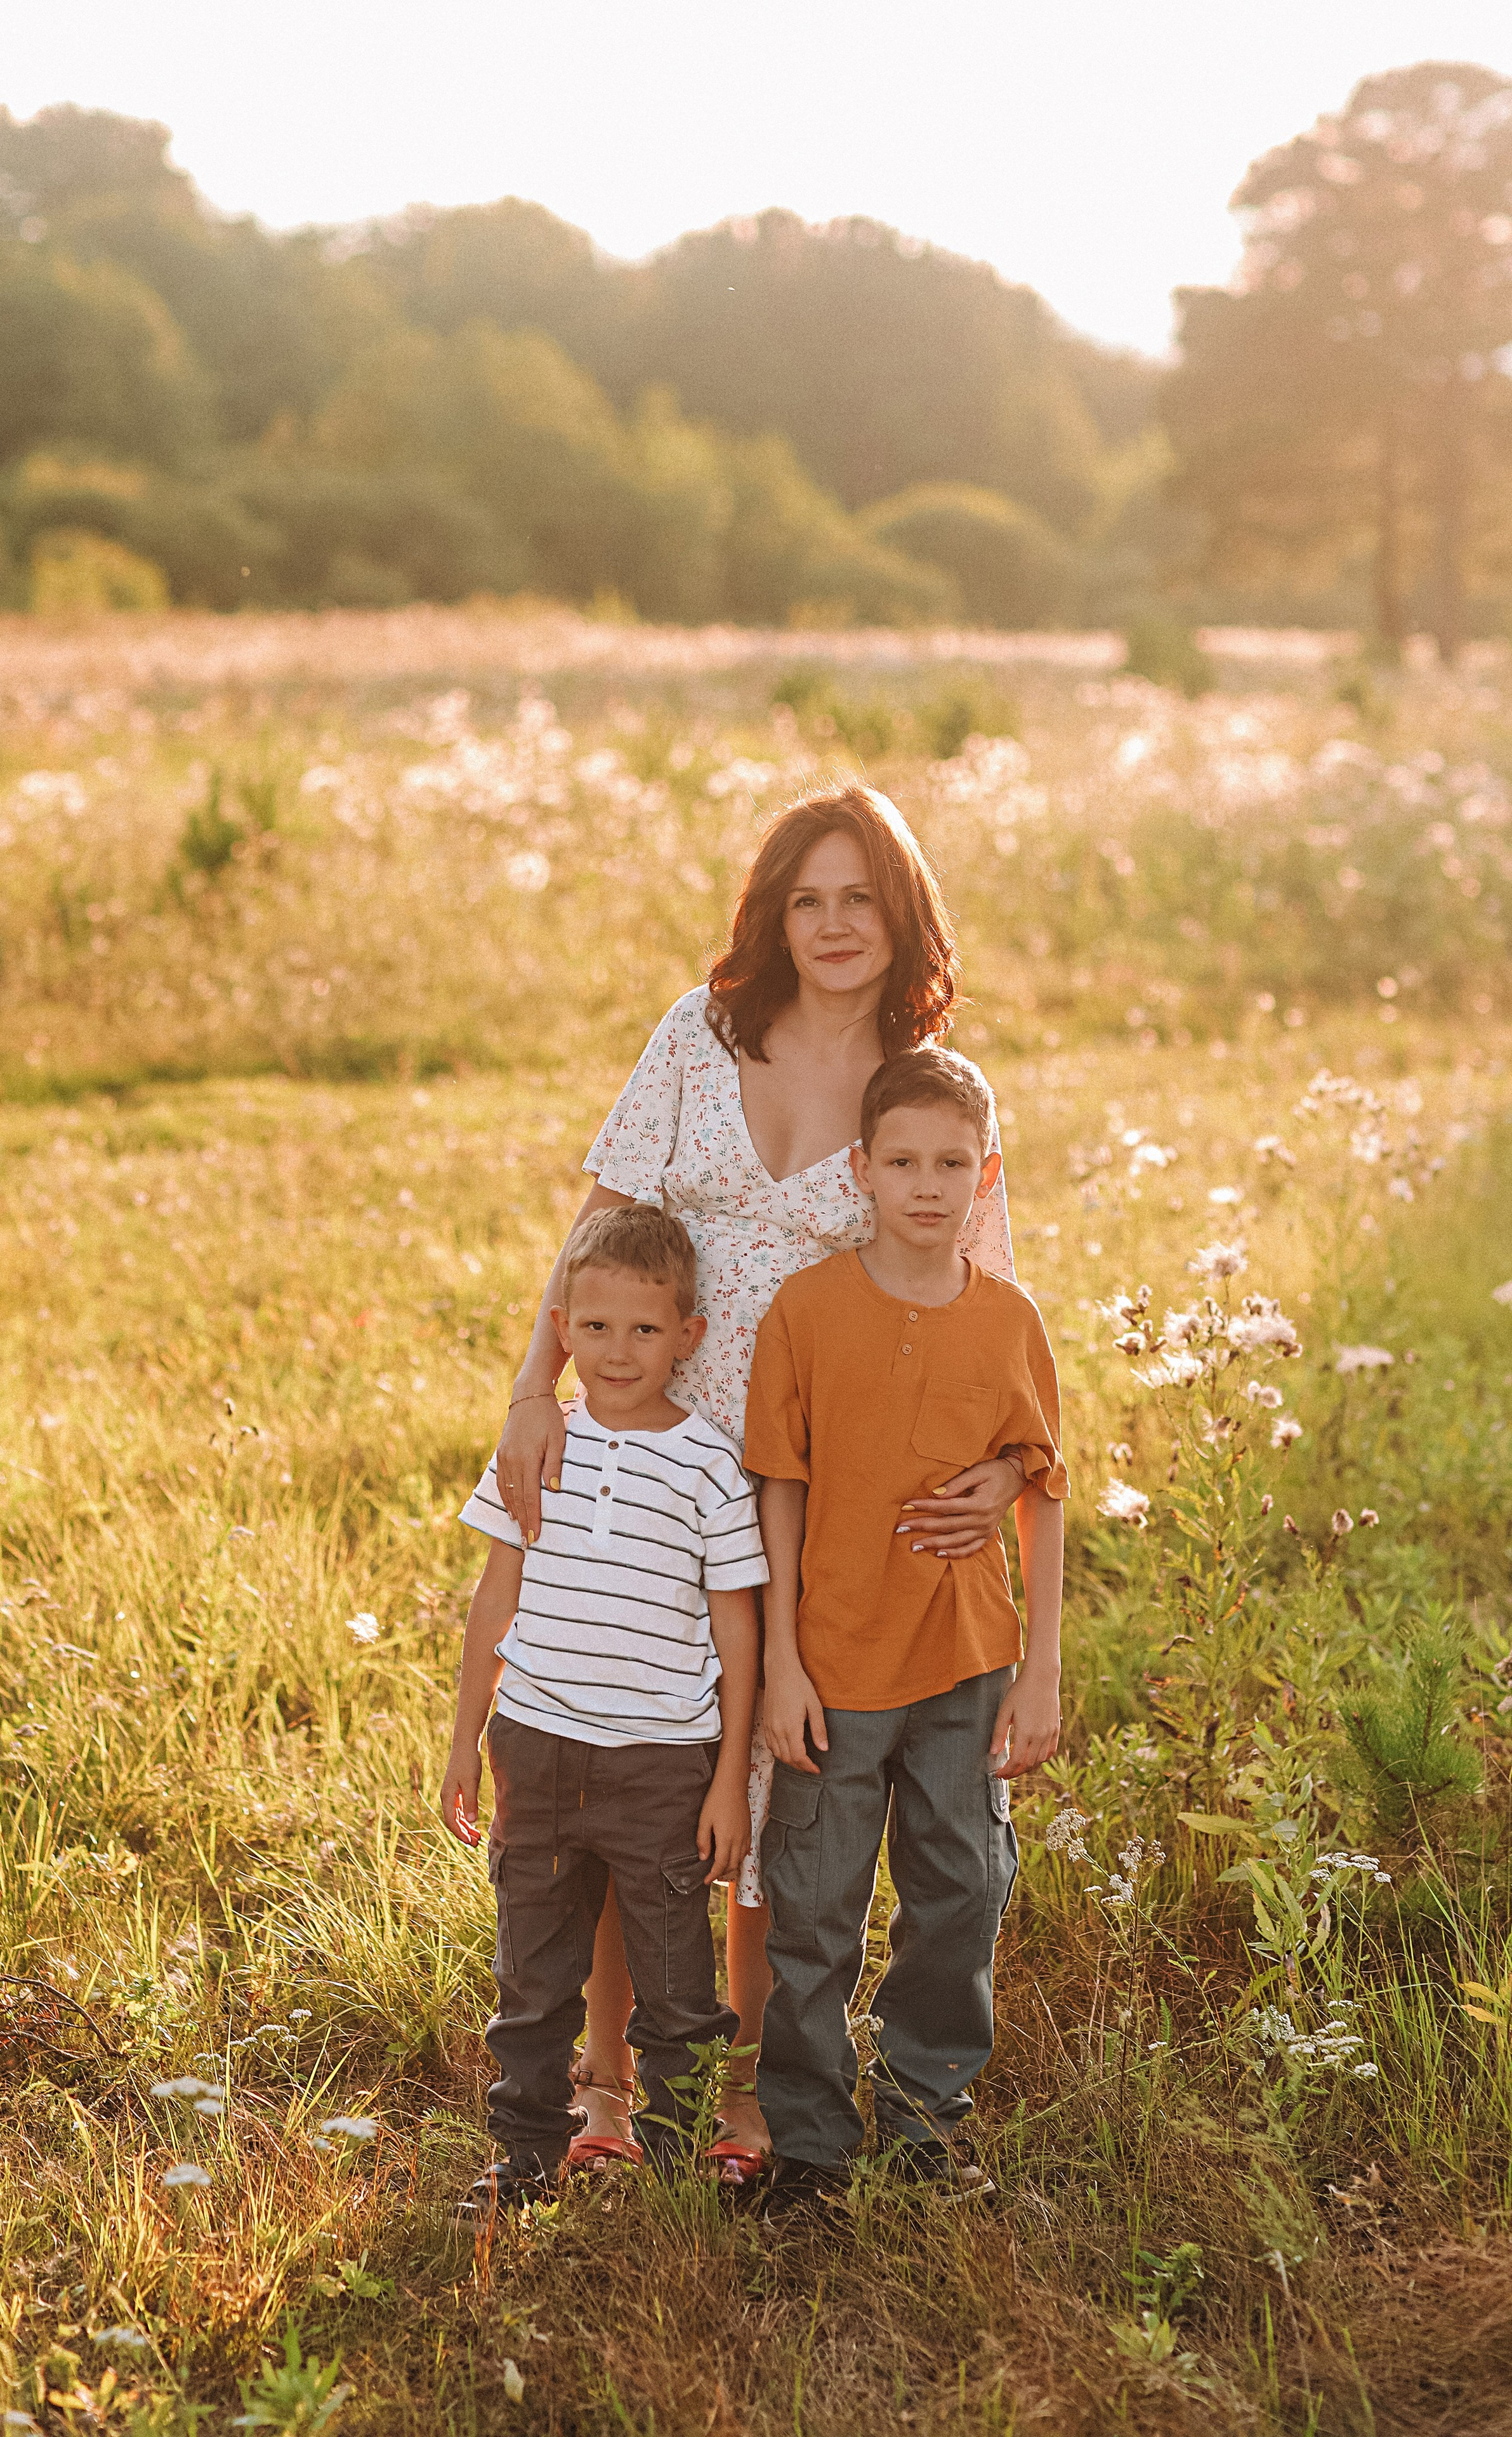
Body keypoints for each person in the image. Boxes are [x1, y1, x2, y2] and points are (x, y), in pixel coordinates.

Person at [491, 782, 1025, 2181]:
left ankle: (732, 2093)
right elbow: (603, 1218)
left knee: (768, 1781)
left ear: (900, 914)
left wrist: (989, 1474)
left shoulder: (926, 1083)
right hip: (647, 1446)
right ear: (771, 914)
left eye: (862, 897)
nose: (835, 925)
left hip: (815, 1484)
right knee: (635, 1763)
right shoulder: (702, 1030)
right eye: (808, 898)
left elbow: (982, 1292)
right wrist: (529, 1385)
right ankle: (605, 2091)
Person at [745, 1046, 1067, 2207]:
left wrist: (1043, 1671)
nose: (928, 1184)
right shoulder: (810, 1308)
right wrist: (781, 1660)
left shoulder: (1010, 1320)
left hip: (968, 1663)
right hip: (832, 1664)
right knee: (814, 1909)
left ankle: (928, 2124)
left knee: (959, 1895)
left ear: (987, 1175)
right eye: (903, 1161)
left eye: (952, 1162)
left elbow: (1043, 1489)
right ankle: (811, 2149)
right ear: (861, 1170)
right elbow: (779, 1486)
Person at [441, 1205, 766, 2209]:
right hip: (535, 1751)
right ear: (560, 1328)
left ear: (689, 1338)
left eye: (644, 1331)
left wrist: (727, 1784)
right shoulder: (538, 1448)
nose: (616, 1353)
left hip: (661, 1764)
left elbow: (737, 1638)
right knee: (532, 1979)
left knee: (677, 1990)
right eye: (593, 1329)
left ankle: (674, 2173)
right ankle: (525, 2163)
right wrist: (465, 1742)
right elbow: (492, 1598)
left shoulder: (710, 1465)